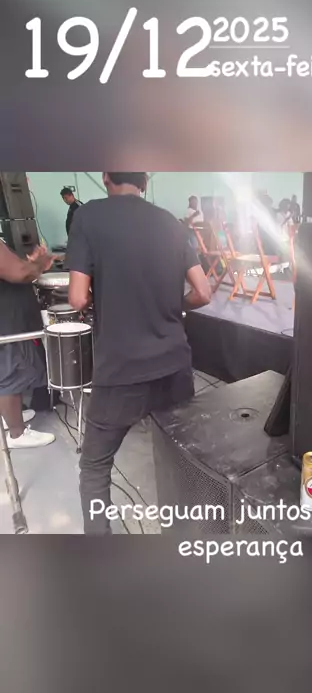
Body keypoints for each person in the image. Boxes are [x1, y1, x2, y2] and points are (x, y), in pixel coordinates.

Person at [66, 172, 212, 535]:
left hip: (121, 370)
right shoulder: (171, 223)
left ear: (105, 176)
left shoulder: (88, 216)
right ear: (145, 180)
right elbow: (204, 292)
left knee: (95, 467)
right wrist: (172, 306)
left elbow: (78, 298)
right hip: (174, 365)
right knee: (184, 460)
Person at [0, 241, 56, 448]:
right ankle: (17, 433)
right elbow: (19, 273)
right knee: (11, 371)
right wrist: (39, 264)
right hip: (6, 319)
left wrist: (29, 264)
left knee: (8, 369)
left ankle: (10, 416)